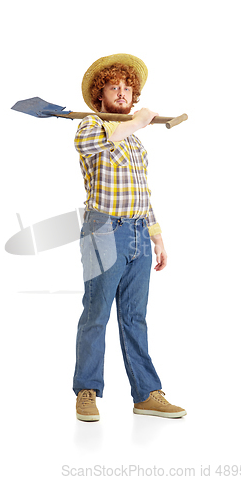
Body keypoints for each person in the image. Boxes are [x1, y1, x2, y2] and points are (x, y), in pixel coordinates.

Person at [73, 53, 186, 421]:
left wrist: (157, 236)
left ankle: (147, 394)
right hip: (103, 230)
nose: (121, 92)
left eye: (127, 87)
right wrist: (138, 121)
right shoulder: (90, 126)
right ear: (99, 95)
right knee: (96, 313)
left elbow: (142, 191)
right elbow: (109, 136)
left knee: (135, 317)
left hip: (138, 230)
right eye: (113, 87)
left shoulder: (137, 143)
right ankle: (87, 391)